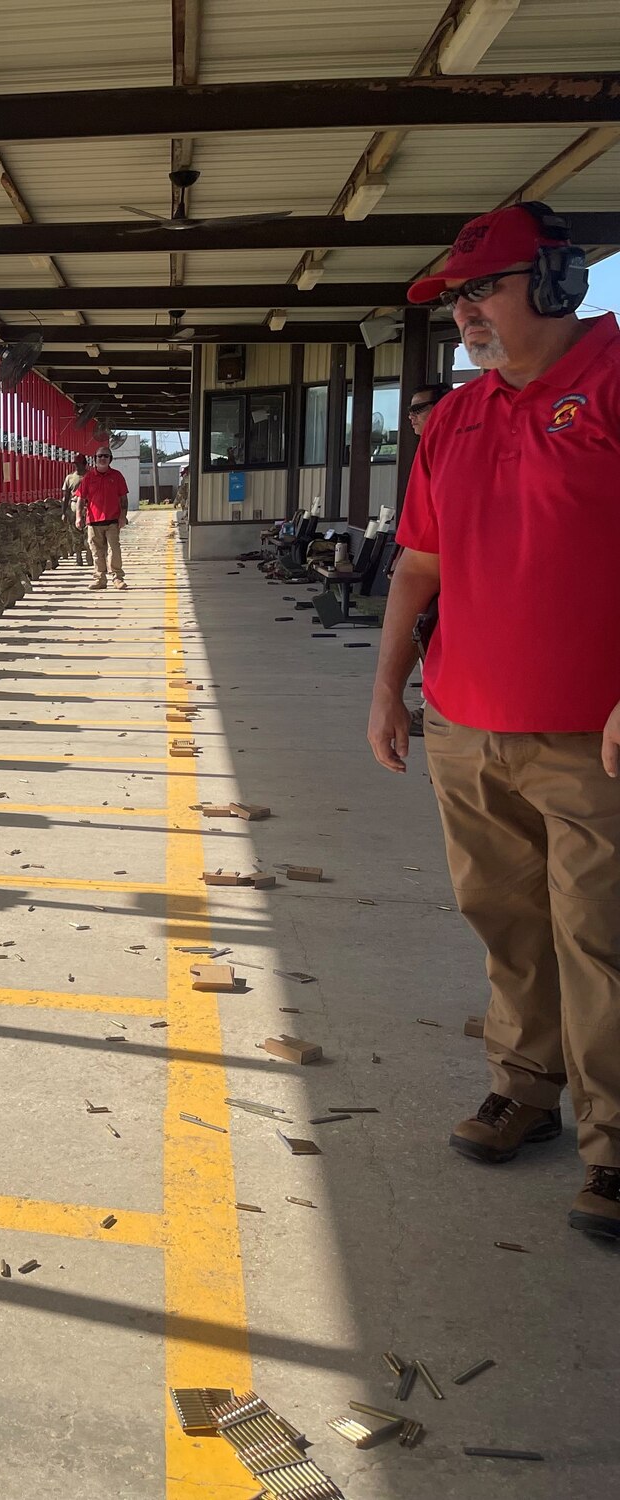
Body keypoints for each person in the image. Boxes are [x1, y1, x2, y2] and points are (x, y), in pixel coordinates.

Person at [365, 202, 620, 1241]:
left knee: (598, 939)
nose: (466, 313)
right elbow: (417, 567)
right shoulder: (456, 421)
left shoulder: (611, 386)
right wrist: (386, 687)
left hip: (588, 735)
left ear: (555, 284)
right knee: (505, 926)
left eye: (486, 288)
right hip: (463, 724)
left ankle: (613, 1146)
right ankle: (525, 1089)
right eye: (457, 297)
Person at [78, 447, 130, 590]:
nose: (102, 458)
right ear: (95, 458)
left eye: (106, 456)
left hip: (113, 520)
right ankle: (100, 579)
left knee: (114, 550)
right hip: (93, 521)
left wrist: (123, 517)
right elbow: (81, 499)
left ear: (110, 459)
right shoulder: (88, 478)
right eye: (100, 456)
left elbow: (123, 499)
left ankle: (118, 578)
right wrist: (78, 517)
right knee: (96, 551)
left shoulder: (117, 476)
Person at [64, 456, 92, 565]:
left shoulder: (91, 476)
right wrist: (64, 511)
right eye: (75, 464)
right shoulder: (70, 478)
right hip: (74, 506)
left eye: (78, 463)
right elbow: (66, 495)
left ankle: (89, 554)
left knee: (89, 532)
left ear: (84, 464)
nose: (76, 466)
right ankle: (78, 556)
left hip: (88, 506)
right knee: (75, 533)